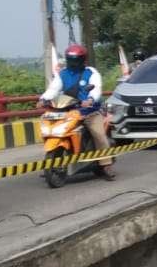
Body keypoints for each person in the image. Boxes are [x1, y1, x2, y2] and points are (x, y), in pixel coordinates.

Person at [39, 43, 115, 180]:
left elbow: (96, 88)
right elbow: (53, 89)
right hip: (69, 110)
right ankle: (53, 162)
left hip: (89, 111)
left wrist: (91, 99)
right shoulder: (62, 74)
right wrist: (43, 99)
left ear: (83, 60)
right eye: (71, 60)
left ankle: (106, 164)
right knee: (53, 128)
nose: (73, 63)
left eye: (76, 60)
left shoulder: (91, 73)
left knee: (98, 134)